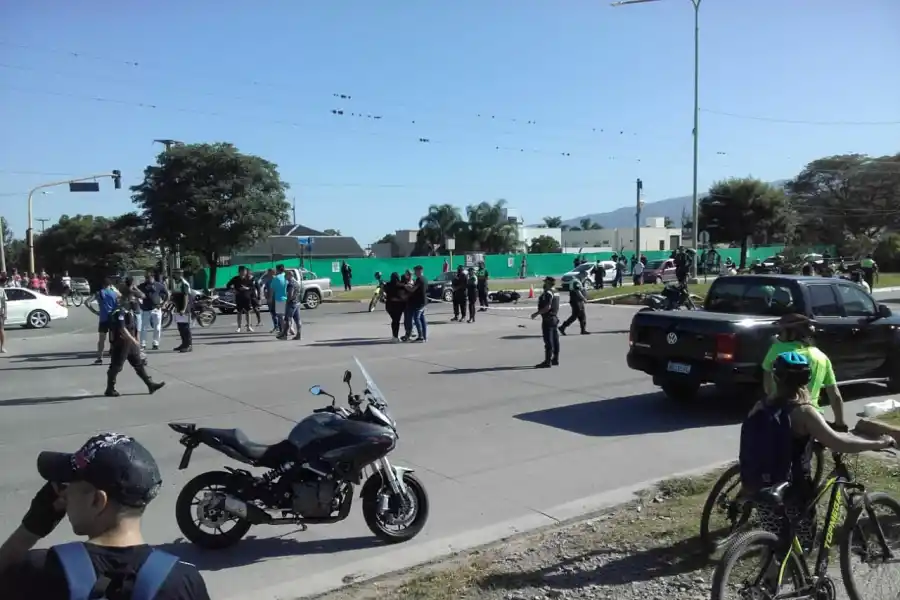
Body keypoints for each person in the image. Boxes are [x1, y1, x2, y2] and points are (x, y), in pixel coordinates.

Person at [0, 433, 210, 599]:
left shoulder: (41, 570)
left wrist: (31, 528)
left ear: (97, 501)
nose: (63, 494)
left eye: (68, 486)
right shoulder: (184, 582)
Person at [740, 351, 895, 550]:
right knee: (804, 543)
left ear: (776, 377)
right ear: (807, 379)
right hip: (792, 490)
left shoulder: (760, 406)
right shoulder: (804, 412)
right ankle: (796, 577)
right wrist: (879, 443)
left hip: (761, 486)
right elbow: (839, 443)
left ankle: (770, 578)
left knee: (775, 545)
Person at [761, 313, 845, 426]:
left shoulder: (777, 350)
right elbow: (835, 396)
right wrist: (840, 423)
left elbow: (768, 389)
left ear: (793, 333)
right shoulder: (821, 356)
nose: (778, 335)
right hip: (815, 418)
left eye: (781, 331)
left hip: (783, 418)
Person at [105, 291, 165, 397]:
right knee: (116, 366)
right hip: (122, 343)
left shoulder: (129, 311)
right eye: (134, 299)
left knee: (138, 364)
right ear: (128, 300)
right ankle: (110, 388)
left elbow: (132, 327)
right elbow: (122, 328)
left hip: (129, 344)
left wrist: (135, 341)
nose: (136, 301)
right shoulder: (120, 311)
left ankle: (150, 384)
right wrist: (133, 340)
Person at [531, 277, 560, 368]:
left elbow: (547, 307)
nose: (544, 284)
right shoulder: (556, 292)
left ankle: (547, 361)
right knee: (555, 340)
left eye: (545, 282)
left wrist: (536, 313)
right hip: (554, 317)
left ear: (548, 283)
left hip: (548, 318)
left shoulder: (548, 293)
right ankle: (555, 359)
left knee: (548, 341)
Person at [94, 279, 121, 365]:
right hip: (113, 318)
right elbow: (120, 302)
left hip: (103, 318)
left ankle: (99, 358)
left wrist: (95, 311)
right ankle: (113, 359)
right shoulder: (114, 294)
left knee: (102, 339)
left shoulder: (99, 293)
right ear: (110, 285)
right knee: (113, 339)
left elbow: (87, 302)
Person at [138, 271, 167, 351]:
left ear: (152, 277)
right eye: (145, 278)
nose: (146, 279)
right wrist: (139, 304)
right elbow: (136, 293)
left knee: (157, 327)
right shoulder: (142, 286)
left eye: (148, 277)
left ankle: (155, 343)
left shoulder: (159, 285)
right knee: (144, 327)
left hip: (156, 309)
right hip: (146, 309)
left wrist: (162, 304)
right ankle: (143, 344)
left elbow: (166, 294)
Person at [227, 266, 255, 333]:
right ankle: (239, 327)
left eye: (245, 271)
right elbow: (228, 285)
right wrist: (233, 290)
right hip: (239, 297)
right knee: (239, 312)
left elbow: (253, 288)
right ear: (239, 272)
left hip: (247, 297)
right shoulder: (235, 279)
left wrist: (247, 288)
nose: (243, 273)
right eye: (242, 271)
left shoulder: (248, 279)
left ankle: (249, 326)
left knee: (248, 312)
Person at [169, 270, 192, 353]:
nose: (173, 275)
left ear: (179, 274)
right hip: (179, 308)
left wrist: (184, 309)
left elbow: (186, 296)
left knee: (185, 328)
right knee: (180, 327)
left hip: (184, 309)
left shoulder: (184, 283)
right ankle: (183, 344)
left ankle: (188, 345)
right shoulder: (177, 282)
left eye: (175, 274)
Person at [403, 265, 428, 343]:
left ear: (420, 270)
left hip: (419, 302)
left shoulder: (419, 279)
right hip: (423, 301)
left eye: (416, 271)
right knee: (422, 318)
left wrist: (406, 286)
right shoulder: (425, 278)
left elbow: (413, 289)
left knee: (416, 318)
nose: (415, 273)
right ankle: (424, 336)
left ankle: (420, 337)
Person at [278, 269, 303, 341]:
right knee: (297, 320)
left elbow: (290, 295)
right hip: (297, 302)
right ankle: (299, 334)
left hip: (291, 303)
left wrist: (286, 301)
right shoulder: (296, 283)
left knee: (288, 319)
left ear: (289, 275)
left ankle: (284, 335)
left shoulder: (291, 284)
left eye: (286, 275)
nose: (285, 276)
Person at [383, 272, 407, 342]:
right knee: (396, 321)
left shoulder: (388, 285)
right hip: (399, 305)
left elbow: (384, 291)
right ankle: (395, 336)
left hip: (389, 305)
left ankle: (395, 336)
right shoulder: (401, 285)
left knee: (394, 320)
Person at [269, 265, 288, 336]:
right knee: (288, 316)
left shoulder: (276, 278)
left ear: (277, 270)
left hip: (279, 298)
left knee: (281, 316)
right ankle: (291, 329)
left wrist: (270, 298)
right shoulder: (287, 277)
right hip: (288, 298)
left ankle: (284, 331)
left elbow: (272, 289)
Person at [0, 274, 7, 354]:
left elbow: (4, 303)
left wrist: (5, 313)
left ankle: (2, 347)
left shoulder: (1, 290)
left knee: (1, 330)